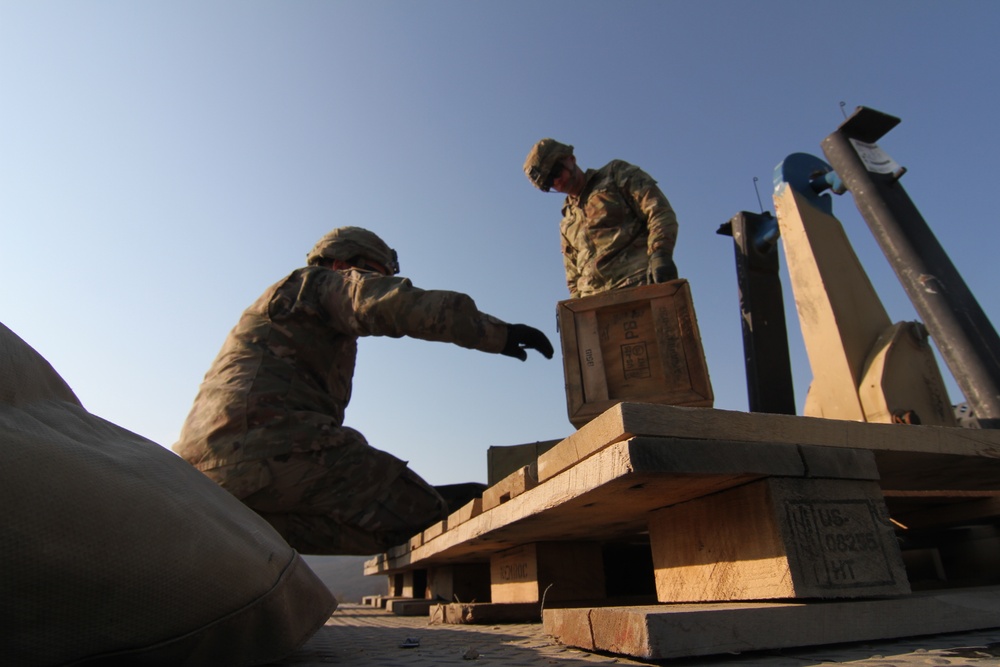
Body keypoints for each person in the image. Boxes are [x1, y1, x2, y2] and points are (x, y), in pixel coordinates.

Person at [173, 226, 553, 555]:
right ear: (341, 263)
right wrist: (497, 334)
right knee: (434, 513)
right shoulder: (316, 284)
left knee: (394, 530)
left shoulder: (278, 306)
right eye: (374, 273)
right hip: (277, 448)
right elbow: (396, 303)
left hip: (205, 480)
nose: (377, 281)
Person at [523, 138, 680, 298]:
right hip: (594, 305)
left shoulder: (615, 175)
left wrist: (660, 254)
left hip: (639, 284)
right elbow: (572, 276)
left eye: (556, 171)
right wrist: (575, 308)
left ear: (570, 159)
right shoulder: (567, 223)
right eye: (549, 182)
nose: (556, 181)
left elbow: (658, 211)